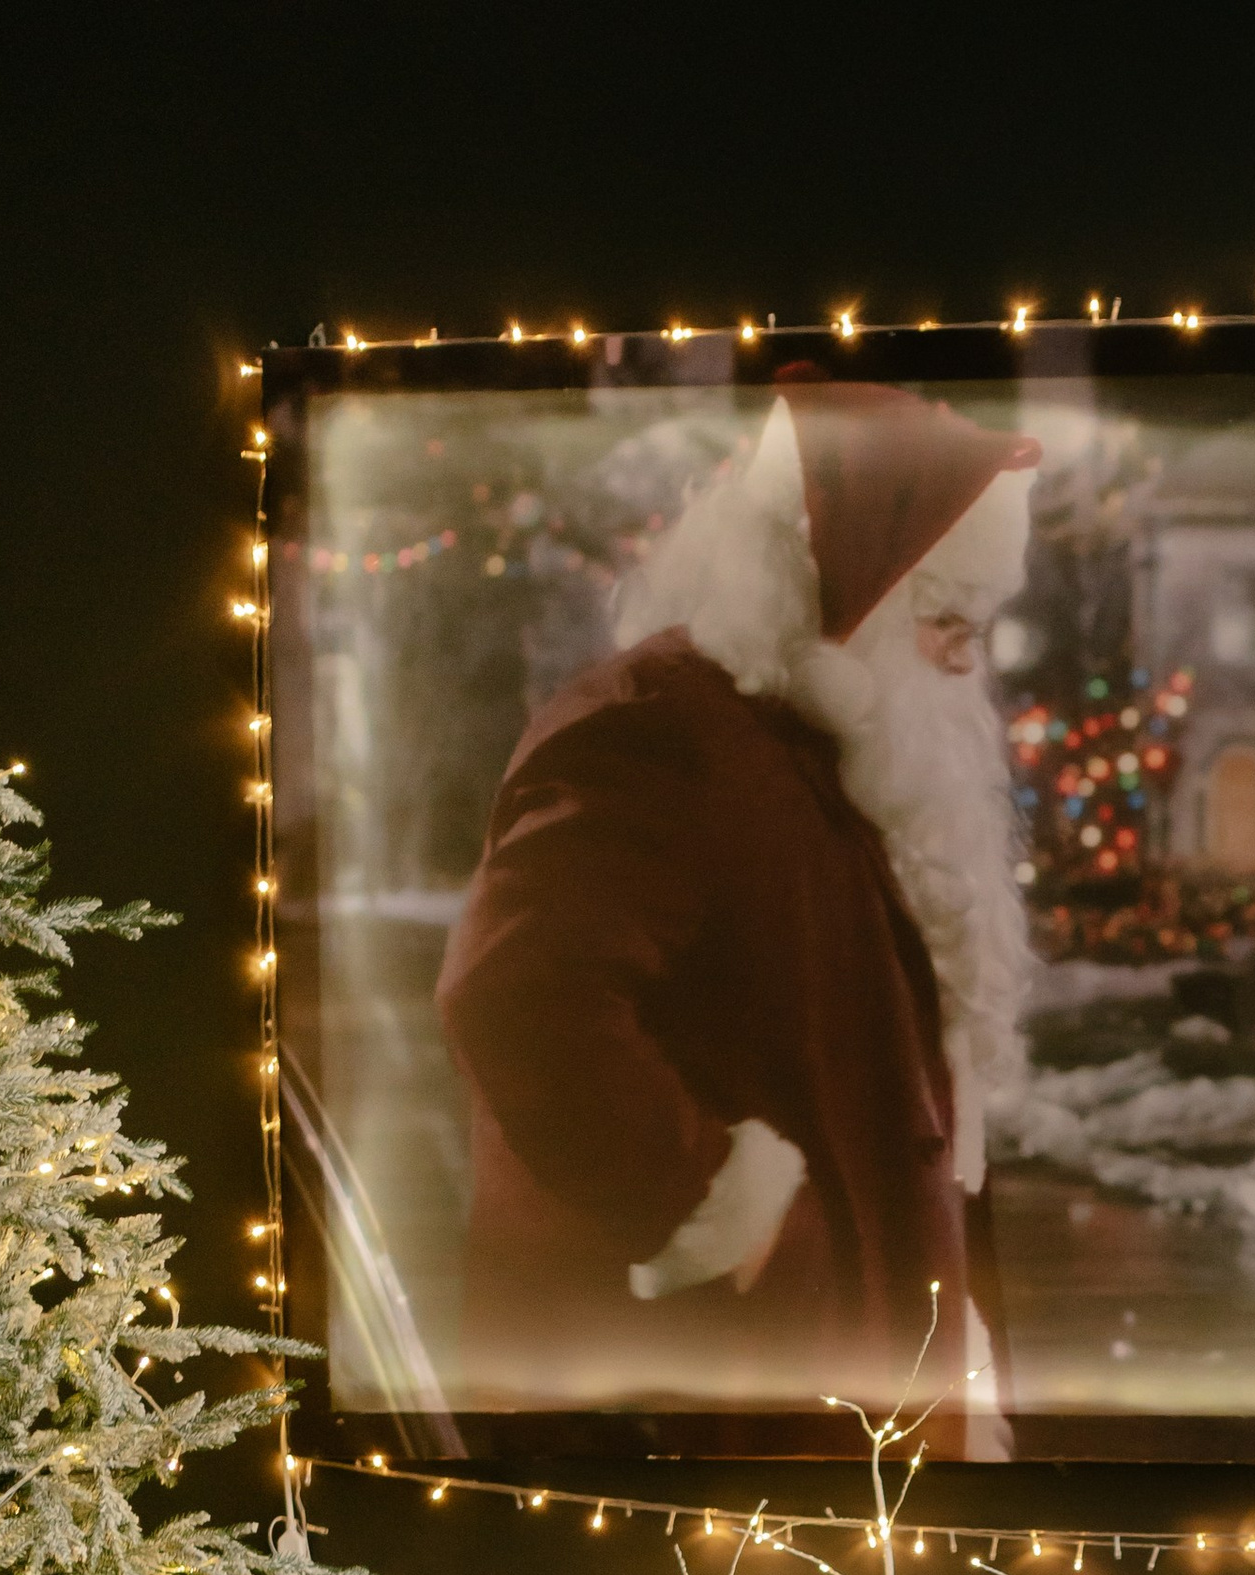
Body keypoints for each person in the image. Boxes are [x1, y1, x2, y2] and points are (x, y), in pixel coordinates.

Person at [435, 377, 1040, 1430]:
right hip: (711, 1398)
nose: (968, 659)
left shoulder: (831, 743)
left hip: (834, 1385)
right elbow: (520, 996)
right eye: (944, 619)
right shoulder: (659, 732)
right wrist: (716, 1202)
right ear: (845, 598)